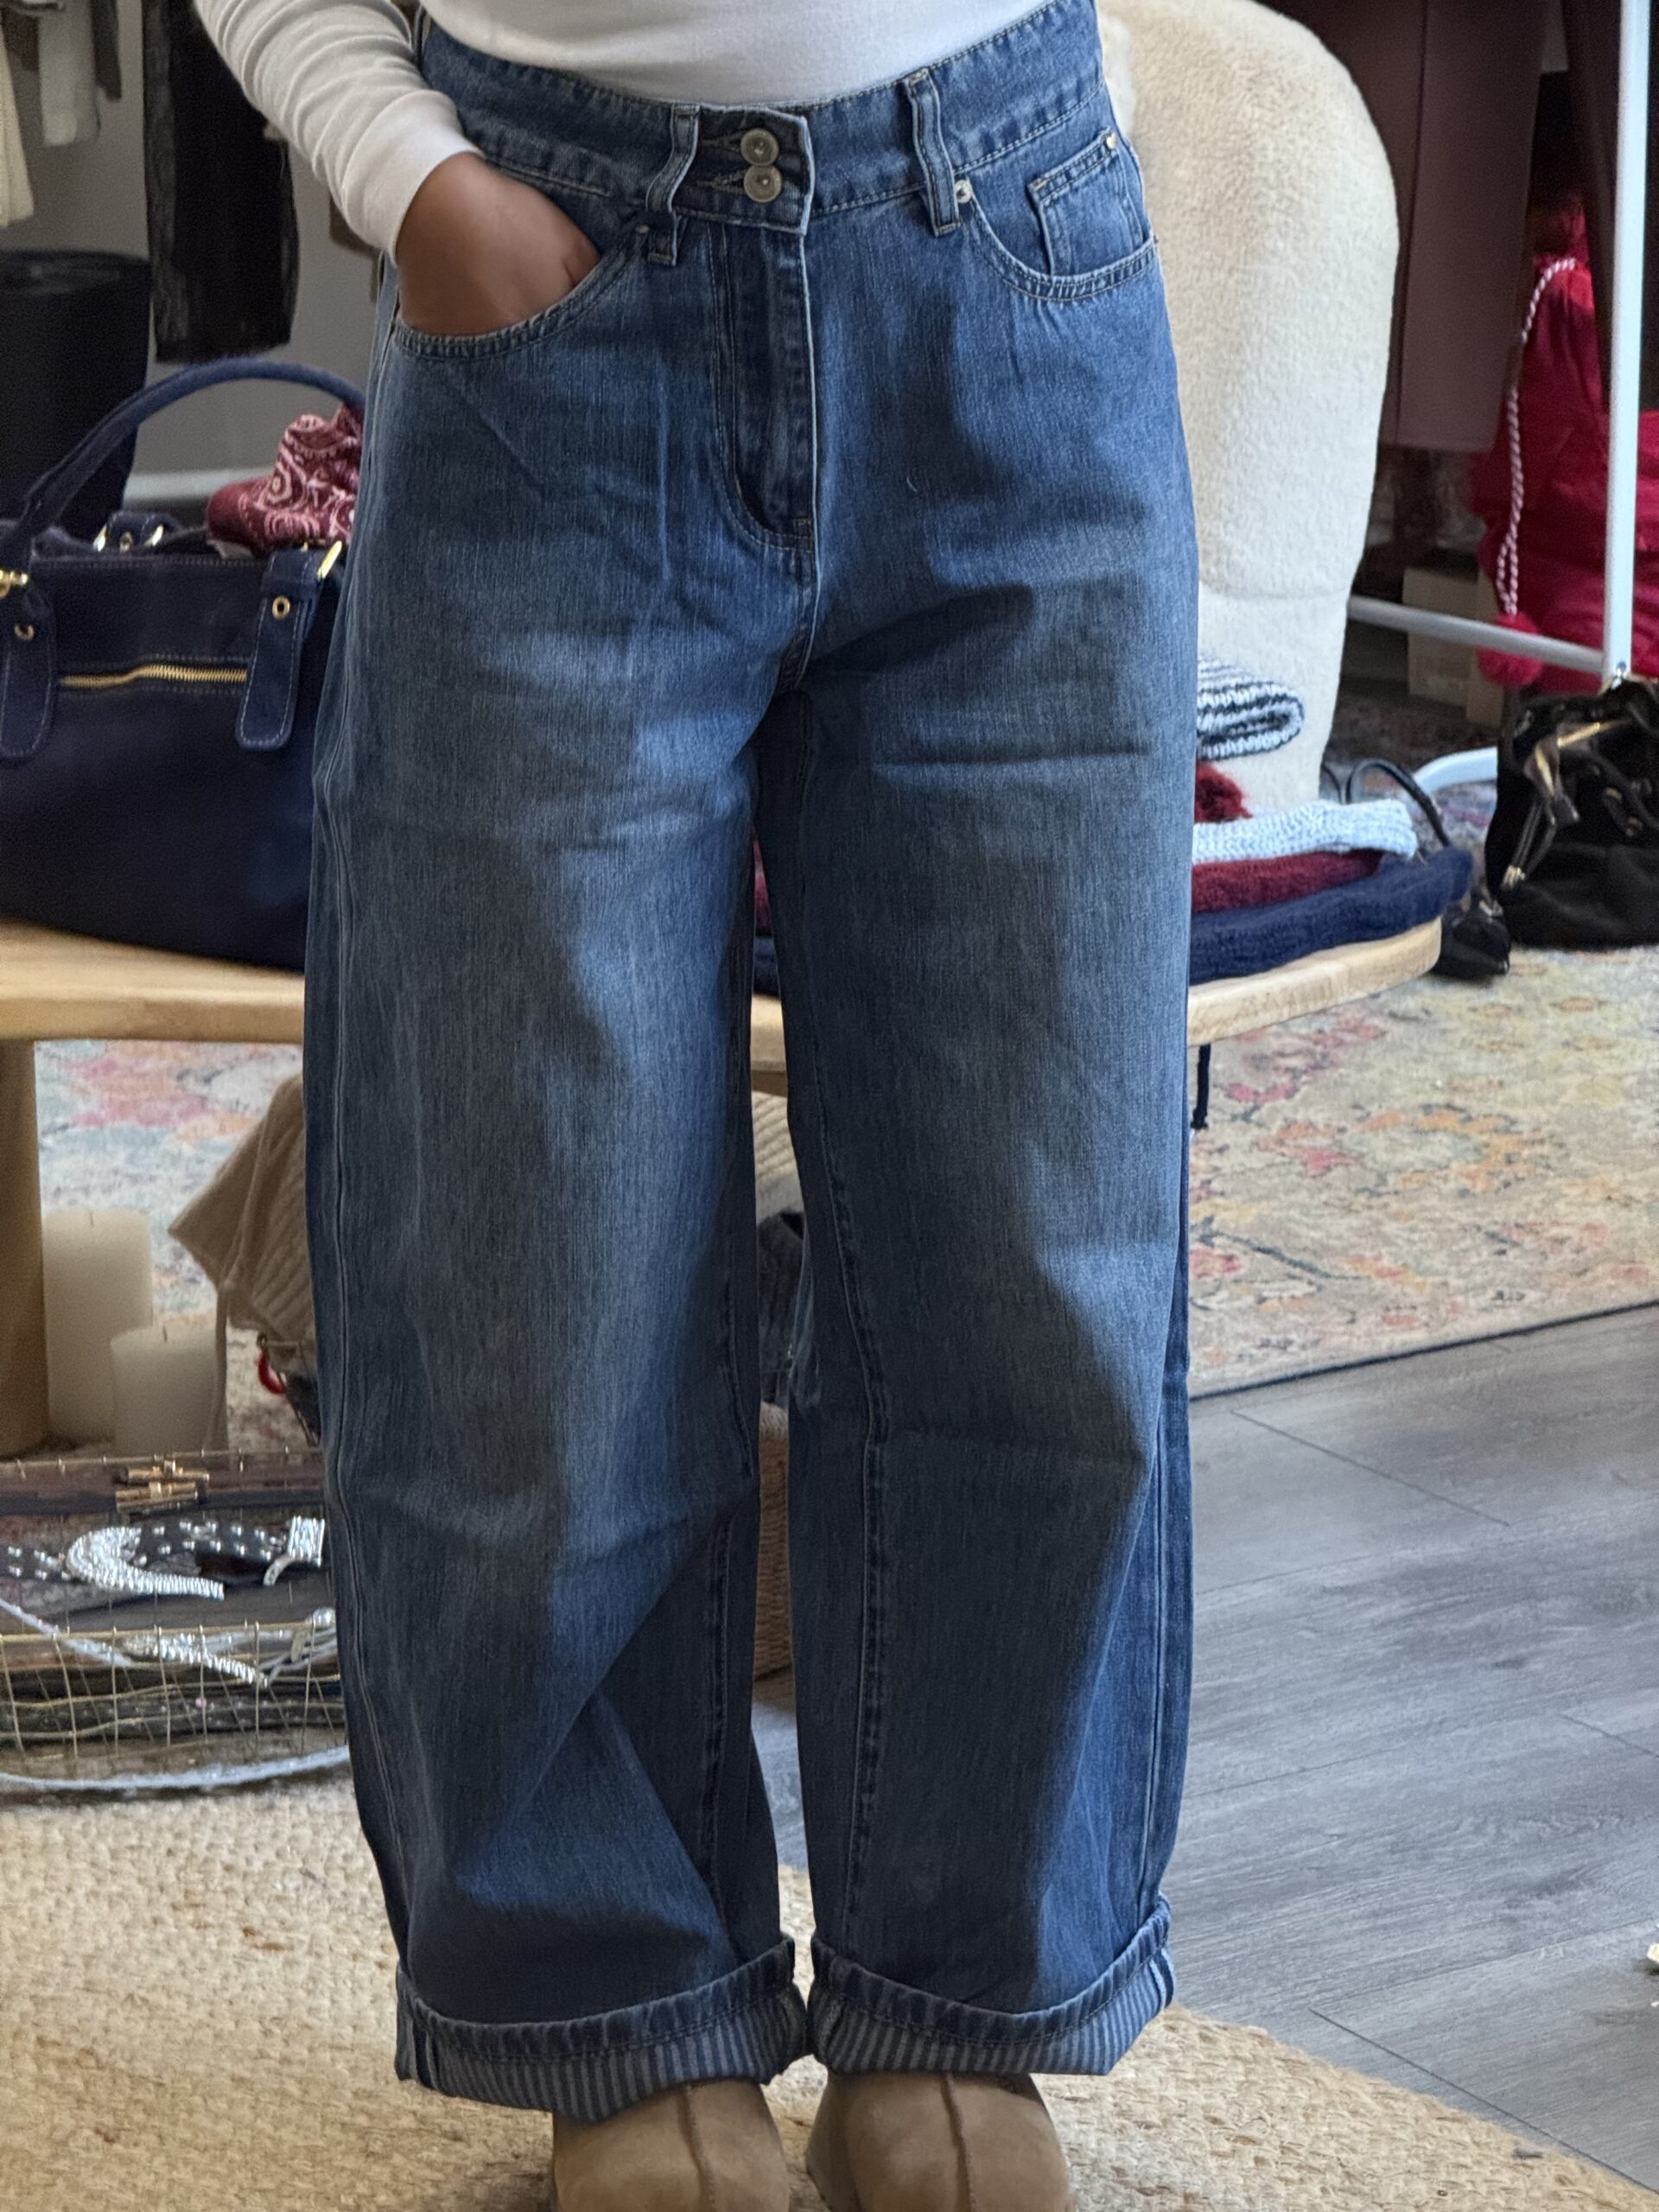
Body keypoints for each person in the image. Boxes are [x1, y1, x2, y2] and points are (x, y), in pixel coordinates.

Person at [196, 0, 1199, 2202]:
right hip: (550, 298)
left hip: (1009, 247)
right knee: (530, 1243)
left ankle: (968, 2003)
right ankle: (616, 2002)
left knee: (1034, 1219)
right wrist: (402, 171)